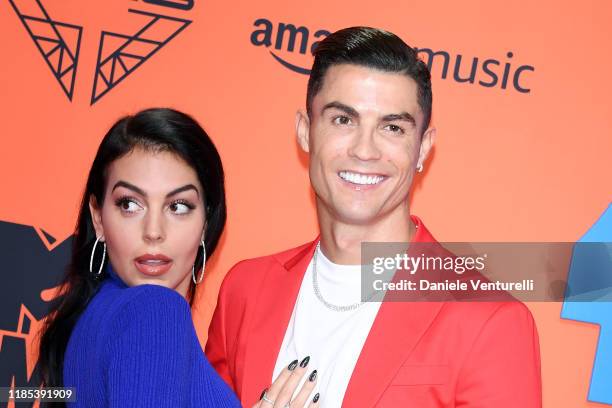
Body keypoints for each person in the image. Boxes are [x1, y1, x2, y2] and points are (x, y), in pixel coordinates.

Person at [205, 27, 542, 407]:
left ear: (422, 150)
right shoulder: (245, 291)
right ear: (305, 132)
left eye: (392, 127)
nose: (365, 150)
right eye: (343, 120)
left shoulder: (489, 324)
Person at [37, 108, 242, 407]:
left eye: (179, 206)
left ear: (205, 224)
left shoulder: (89, 320)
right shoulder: (155, 309)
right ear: (98, 218)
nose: (153, 232)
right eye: (130, 204)